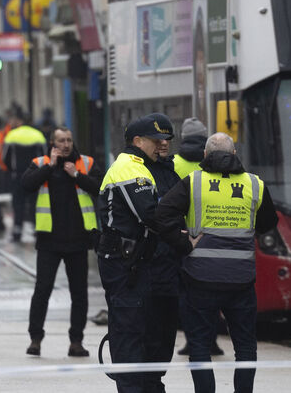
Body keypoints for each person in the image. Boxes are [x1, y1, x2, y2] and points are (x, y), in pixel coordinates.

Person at [153, 132, 277, 393]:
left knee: (199, 346)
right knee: (245, 347)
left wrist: (183, 242)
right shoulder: (255, 184)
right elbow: (268, 224)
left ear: (205, 156)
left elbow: (162, 214)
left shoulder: (193, 182)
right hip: (241, 280)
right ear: (234, 154)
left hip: (200, 279)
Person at [97, 115, 183, 393]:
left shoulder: (157, 169)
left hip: (148, 264)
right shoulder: (129, 168)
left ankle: (150, 385)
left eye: (166, 140)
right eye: (155, 140)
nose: (162, 145)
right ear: (138, 141)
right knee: (130, 331)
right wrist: (185, 242)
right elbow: (151, 214)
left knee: (154, 331)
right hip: (127, 264)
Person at [20, 126, 101, 358]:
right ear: (53, 143)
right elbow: (26, 185)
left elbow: (100, 188)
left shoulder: (85, 162)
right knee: (42, 290)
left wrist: (77, 176)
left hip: (78, 240)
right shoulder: (41, 162)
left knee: (79, 293)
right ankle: (35, 339)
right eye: (61, 141)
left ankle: (76, 341)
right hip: (49, 240)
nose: (66, 144)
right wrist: (49, 167)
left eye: (69, 140)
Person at [170, 118, 225, 358]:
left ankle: (193, 340)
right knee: (211, 291)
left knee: (186, 293)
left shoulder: (173, 164)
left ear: (182, 137)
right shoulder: (214, 164)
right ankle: (211, 339)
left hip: (184, 236)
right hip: (212, 234)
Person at [3, 110, 48, 243]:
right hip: (35, 175)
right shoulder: (38, 136)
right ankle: (37, 230)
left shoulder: (12, 136)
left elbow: (5, 157)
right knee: (35, 203)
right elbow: (45, 156)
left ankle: (17, 231)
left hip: (18, 175)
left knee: (18, 204)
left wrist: (12, 170)